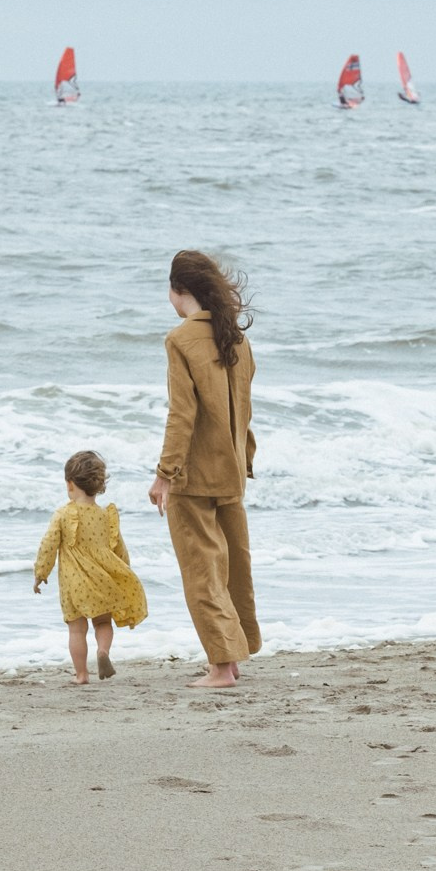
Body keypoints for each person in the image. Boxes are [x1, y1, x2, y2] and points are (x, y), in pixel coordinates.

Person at [148, 249, 258, 688]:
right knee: (233, 567)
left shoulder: (180, 340)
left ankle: (219, 668)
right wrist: (245, 458)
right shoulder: (236, 336)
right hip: (231, 468)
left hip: (195, 475)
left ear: (180, 291)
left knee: (202, 570)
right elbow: (245, 408)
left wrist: (165, 473)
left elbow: (182, 414)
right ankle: (231, 658)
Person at [32, 450, 148, 684]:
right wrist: (123, 571)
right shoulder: (106, 516)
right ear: (99, 485)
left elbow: (49, 545)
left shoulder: (64, 514)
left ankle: (82, 675)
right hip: (103, 580)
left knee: (76, 630)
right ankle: (103, 651)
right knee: (103, 622)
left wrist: (40, 573)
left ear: (70, 484)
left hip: (74, 584)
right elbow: (119, 549)